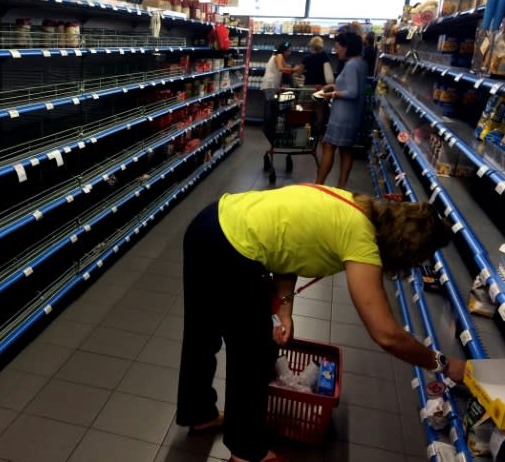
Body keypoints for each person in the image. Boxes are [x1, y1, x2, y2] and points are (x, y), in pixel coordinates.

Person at [175, 183, 465, 462]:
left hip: (210, 225)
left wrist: (285, 310)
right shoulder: (360, 238)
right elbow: (385, 334)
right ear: (405, 249)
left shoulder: (351, 205)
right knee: (253, 353)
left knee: (202, 334)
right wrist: (440, 362)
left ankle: (199, 413)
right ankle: (246, 451)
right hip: (233, 250)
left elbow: (287, 247)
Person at [315, 32, 368, 189]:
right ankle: (341, 187)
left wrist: (331, 94)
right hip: (353, 114)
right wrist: (335, 86)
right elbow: (353, 86)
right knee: (346, 150)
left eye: (338, 47)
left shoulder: (351, 65)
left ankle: (318, 186)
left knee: (328, 146)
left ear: (347, 47)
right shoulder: (361, 63)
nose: (336, 50)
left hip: (343, 115)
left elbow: (352, 92)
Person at [260, 42, 303, 144]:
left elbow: (286, 67)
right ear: (284, 50)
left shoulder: (280, 57)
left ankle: (269, 130)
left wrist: (295, 68)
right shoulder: (279, 55)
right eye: (289, 51)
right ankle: (268, 131)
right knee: (271, 107)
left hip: (271, 85)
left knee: (272, 106)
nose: (290, 53)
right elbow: (281, 68)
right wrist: (293, 70)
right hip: (270, 85)